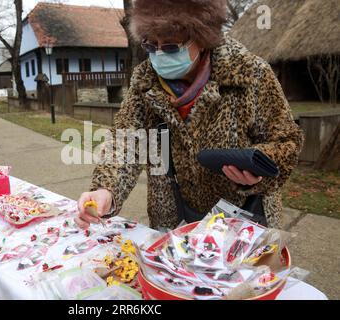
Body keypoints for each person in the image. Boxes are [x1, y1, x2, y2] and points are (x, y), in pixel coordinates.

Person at [75, 0, 303, 231]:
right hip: (175, 219)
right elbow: (126, 141)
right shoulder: (145, 81)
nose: (160, 55)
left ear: (202, 39)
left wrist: (258, 167)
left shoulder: (249, 74)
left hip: (242, 223)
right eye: (151, 46)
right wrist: (106, 190)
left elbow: (286, 141)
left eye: (172, 46)